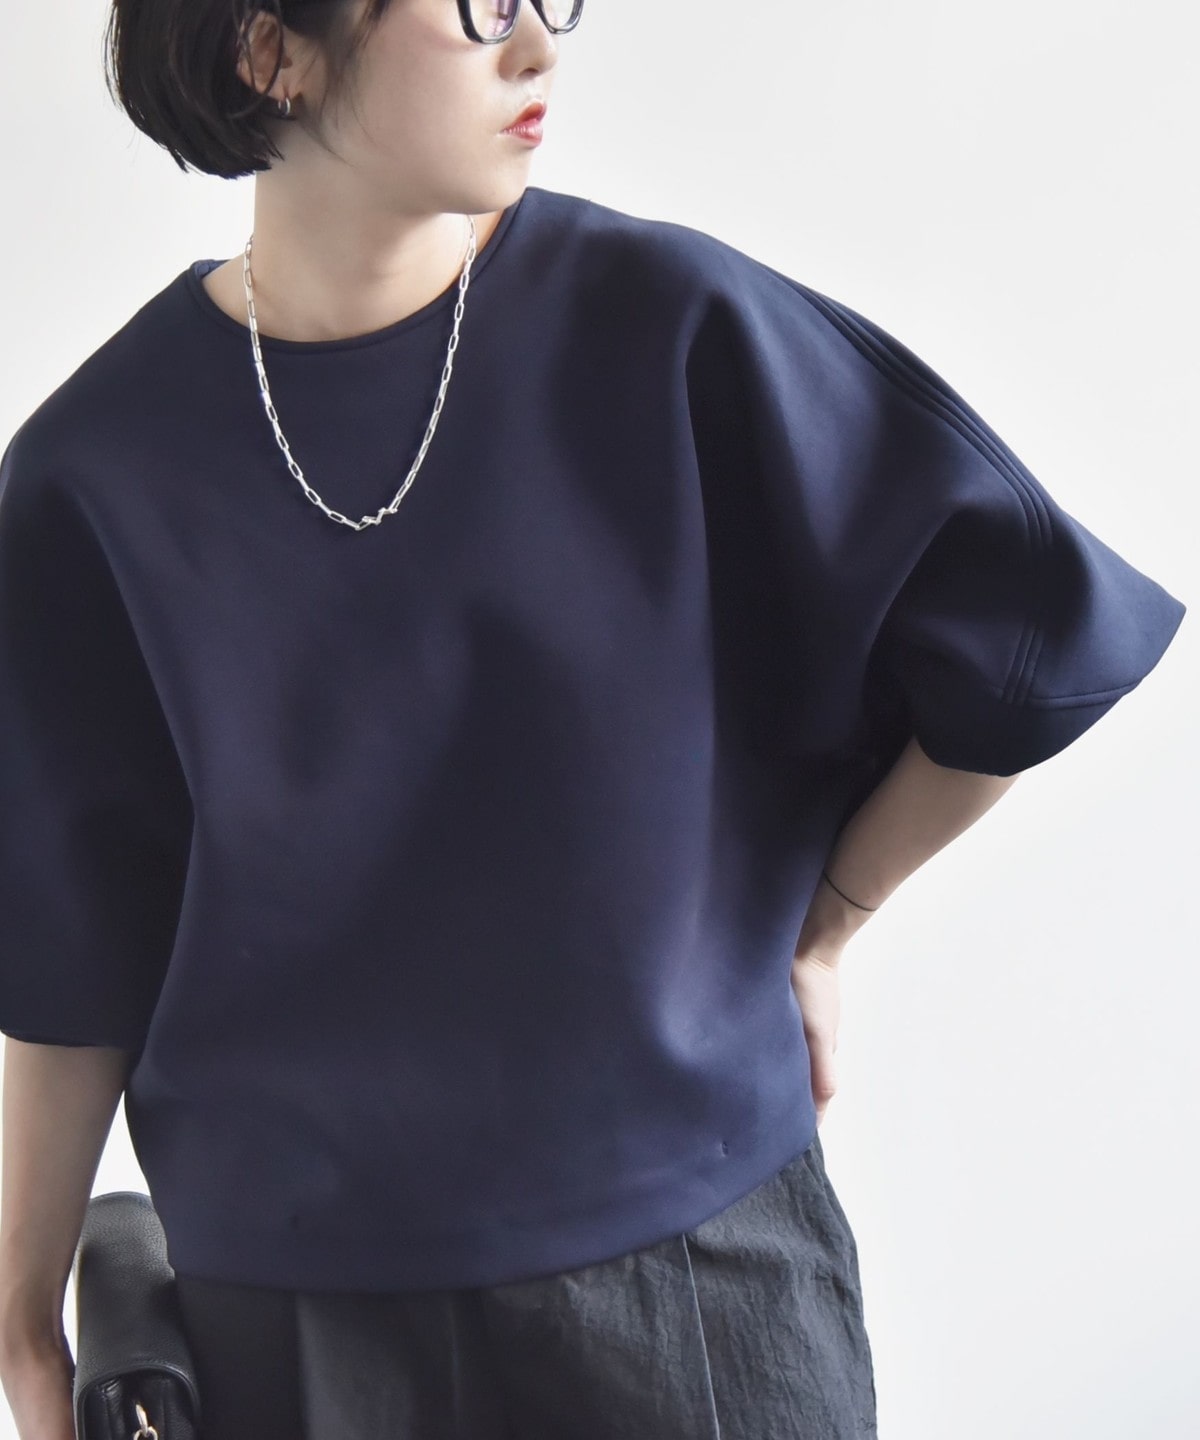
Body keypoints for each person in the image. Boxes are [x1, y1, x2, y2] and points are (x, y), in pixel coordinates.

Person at [0, 1, 1187, 1437]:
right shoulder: (93, 475)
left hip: (696, 1289)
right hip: (293, 1329)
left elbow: (1029, 631)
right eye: (478, 8)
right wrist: (23, 1317)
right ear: (272, 50)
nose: (538, 50)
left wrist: (829, 921)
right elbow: (68, 948)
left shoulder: (668, 326)